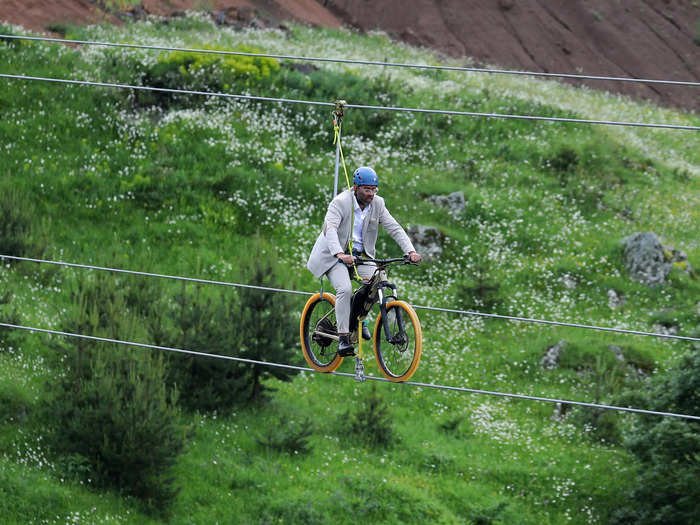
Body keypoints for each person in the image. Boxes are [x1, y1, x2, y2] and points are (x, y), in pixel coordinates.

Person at [307, 166, 422, 356]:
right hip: (335, 256)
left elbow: (394, 228)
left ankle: (358, 319)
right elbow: (331, 230)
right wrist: (339, 254)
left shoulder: (378, 203)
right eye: (366, 189)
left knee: (376, 284)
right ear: (355, 188)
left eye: (374, 189)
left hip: (360, 256)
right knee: (344, 289)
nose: (371, 194)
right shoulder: (340, 203)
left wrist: (410, 251)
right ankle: (344, 338)